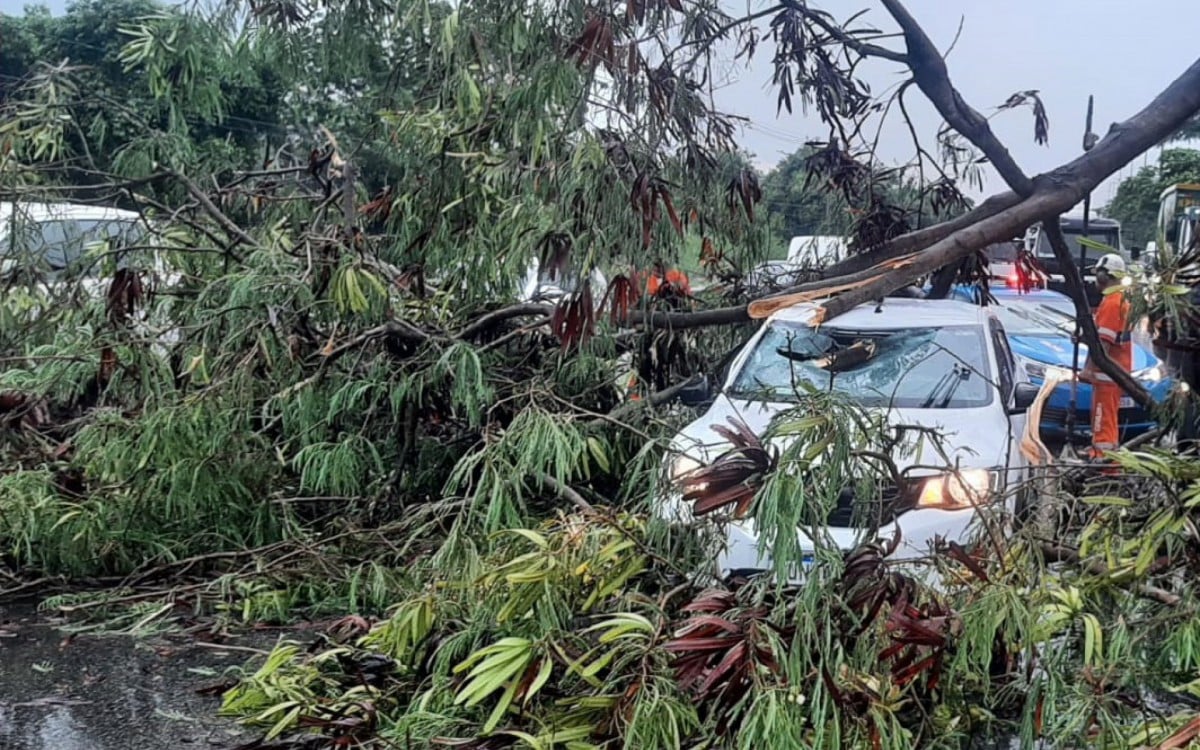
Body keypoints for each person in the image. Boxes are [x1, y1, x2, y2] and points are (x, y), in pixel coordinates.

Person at [1078, 253, 1133, 463]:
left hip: (1109, 374)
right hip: (1113, 372)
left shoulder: (1112, 303)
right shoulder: (1117, 300)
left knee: (1103, 422)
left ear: (1105, 276)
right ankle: (1103, 456)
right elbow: (1105, 337)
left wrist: (1089, 369)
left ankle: (1104, 463)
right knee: (1105, 420)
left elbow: (1105, 345)